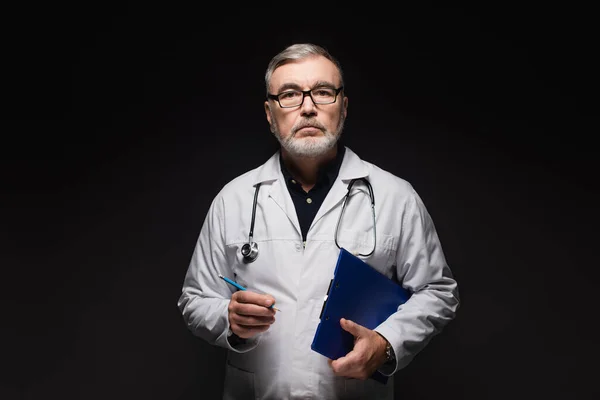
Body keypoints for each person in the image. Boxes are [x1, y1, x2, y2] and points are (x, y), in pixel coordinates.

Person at [177, 43, 460, 400]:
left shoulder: (395, 197)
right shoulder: (232, 200)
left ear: (343, 106)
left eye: (323, 92)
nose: (308, 107)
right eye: (290, 94)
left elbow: (438, 291)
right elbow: (194, 298)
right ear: (269, 112)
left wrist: (387, 343)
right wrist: (228, 319)